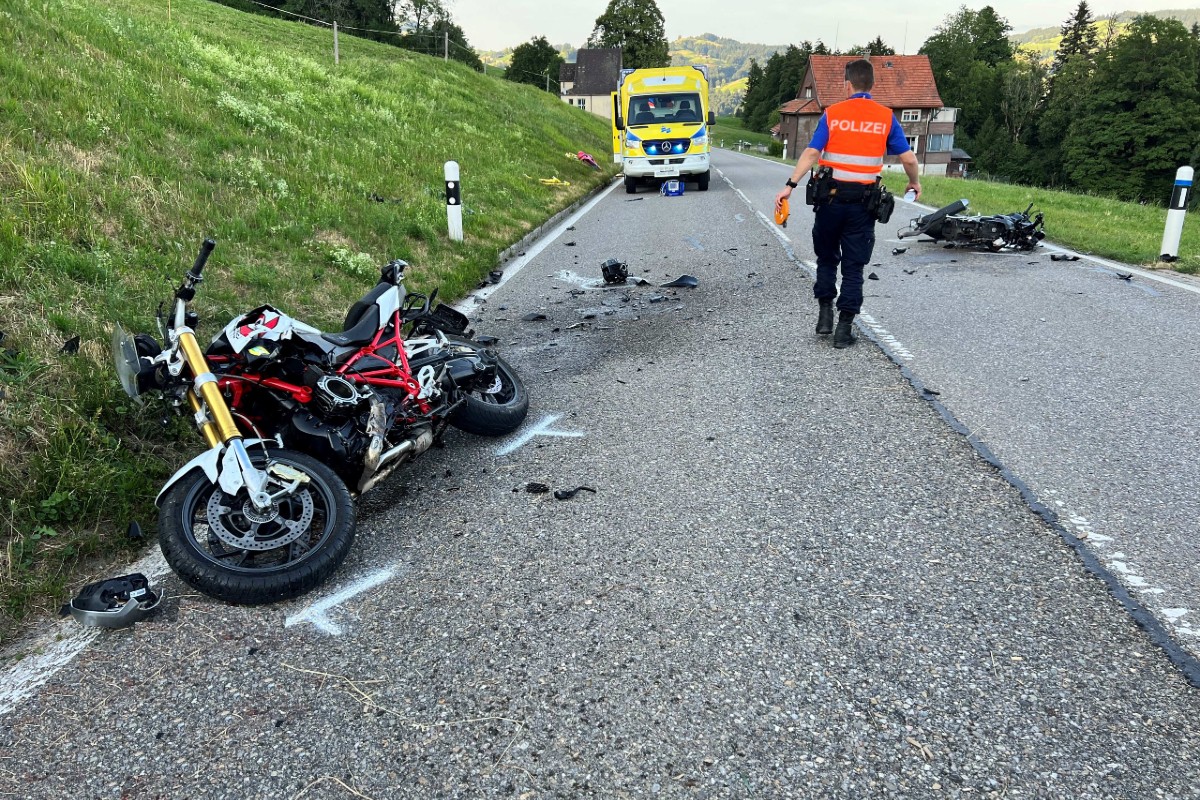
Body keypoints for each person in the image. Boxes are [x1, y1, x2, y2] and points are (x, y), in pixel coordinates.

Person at [774, 59, 921, 348]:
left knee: (827, 258)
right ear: (872, 84)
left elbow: (811, 153)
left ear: (847, 84)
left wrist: (790, 185)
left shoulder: (833, 114)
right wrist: (913, 182)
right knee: (854, 267)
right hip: (863, 205)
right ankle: (844, 330)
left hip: (829, 201)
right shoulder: (885, 117)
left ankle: (824, 316)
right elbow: (908, 158)